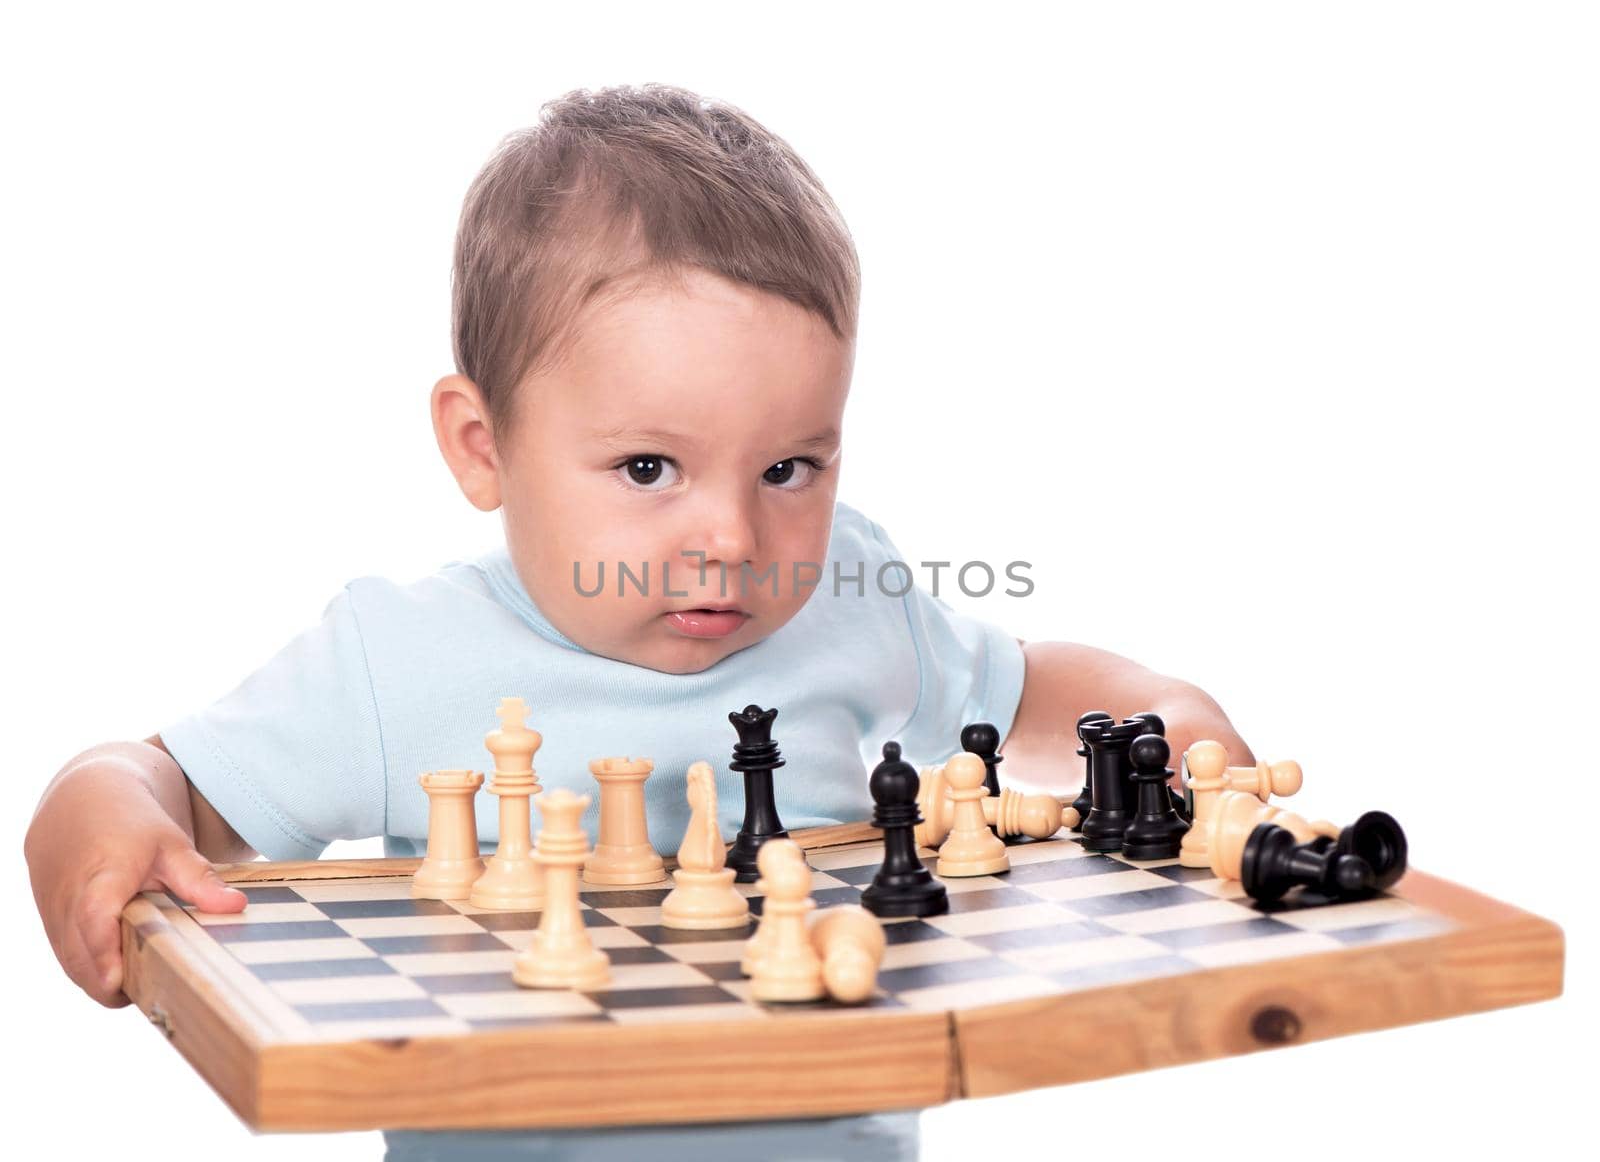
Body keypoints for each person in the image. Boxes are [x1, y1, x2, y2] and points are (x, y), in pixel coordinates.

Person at [25, 83, 1252, 1162]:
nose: (730, 537)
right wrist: (99, 817)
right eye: (650, 469)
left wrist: (1158, 718)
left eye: (790, 469)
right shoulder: (394, 662)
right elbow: (159, 783)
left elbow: (1028, 688)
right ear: (482, 444)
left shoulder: (849, 595)